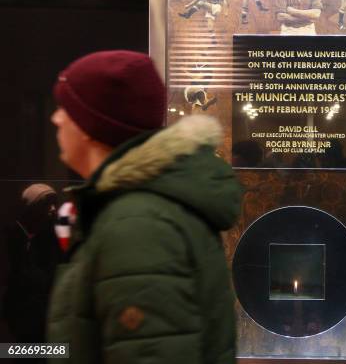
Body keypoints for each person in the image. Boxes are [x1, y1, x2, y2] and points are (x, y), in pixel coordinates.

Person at [47, 50, 241, 364]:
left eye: (65, 109)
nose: (56, 118)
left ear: (91, 127)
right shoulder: (136, 211)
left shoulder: (139, 226)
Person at [3, 184, 62, 349]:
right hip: (22, 322)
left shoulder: (52, 240)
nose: (53, 209)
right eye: (46, 204)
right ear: (32, 208)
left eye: (54, 203)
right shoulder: (14, 237)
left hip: (46, 320)